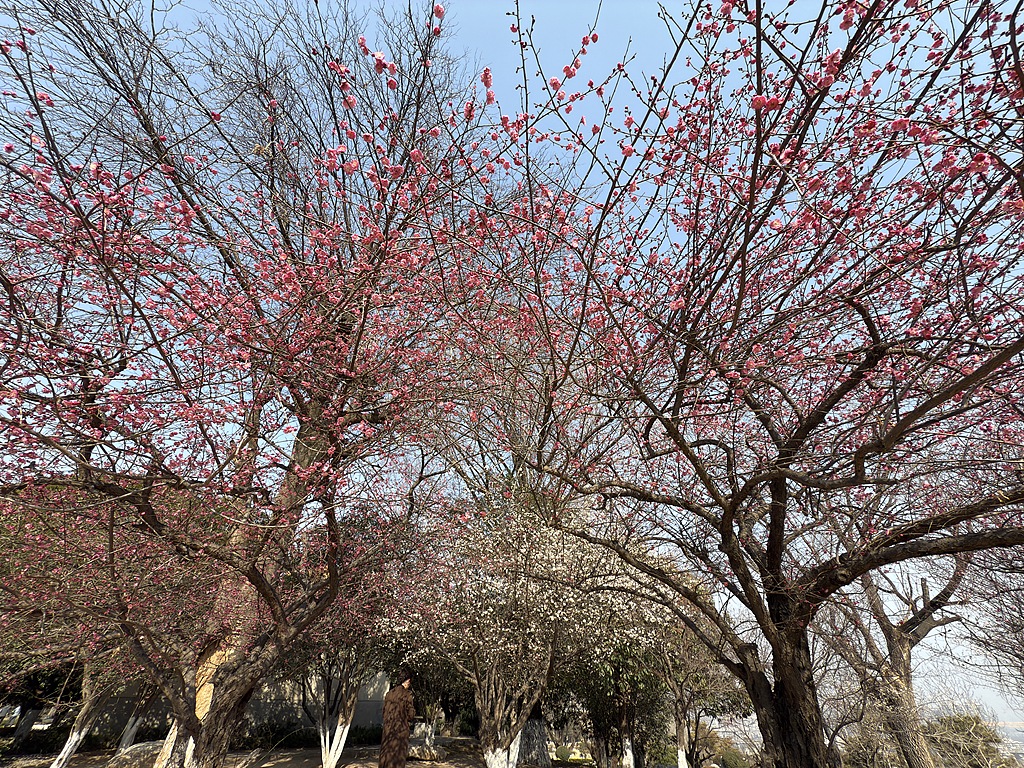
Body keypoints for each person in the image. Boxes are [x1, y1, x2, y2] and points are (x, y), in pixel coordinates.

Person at [378, 668, 417, 768]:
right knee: (397, 758)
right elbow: (411, 715)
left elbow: (384, 712)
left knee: (386, 756)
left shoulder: (389, 694)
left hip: (387, 730)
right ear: (407, 680)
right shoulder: (407, 695)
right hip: (400, 731)